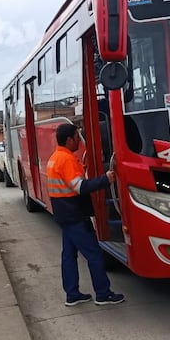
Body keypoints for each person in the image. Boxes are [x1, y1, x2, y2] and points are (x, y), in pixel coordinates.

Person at [47, 123, 125, 307]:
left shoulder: (55, 157)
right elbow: (80, 187)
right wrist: (106, 179)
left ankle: (72, 295)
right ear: (69, 140)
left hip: (63, 214)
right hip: (75, 215)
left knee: (68, 255)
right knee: (95, 255)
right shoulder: (66, 160)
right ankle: (103, 294)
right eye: (77, 136)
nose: (79, 140)